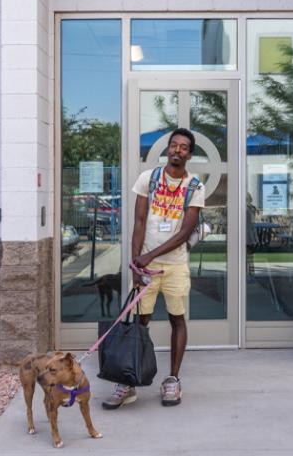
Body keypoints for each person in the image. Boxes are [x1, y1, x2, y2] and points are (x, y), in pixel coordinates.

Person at [102, 128, 205, 410]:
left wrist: (150, 256)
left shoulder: (195, 187)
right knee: (139, 323)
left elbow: (185, 232)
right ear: (167, 149)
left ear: (189, 154)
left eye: (183, 147)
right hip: (146, 267)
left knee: (177, 319)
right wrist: (136, 262)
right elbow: (139, 222)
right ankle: (128, 382)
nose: (177, 150)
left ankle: (172, 380)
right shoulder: (149, 178)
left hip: (175, 266)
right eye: (174, 145)